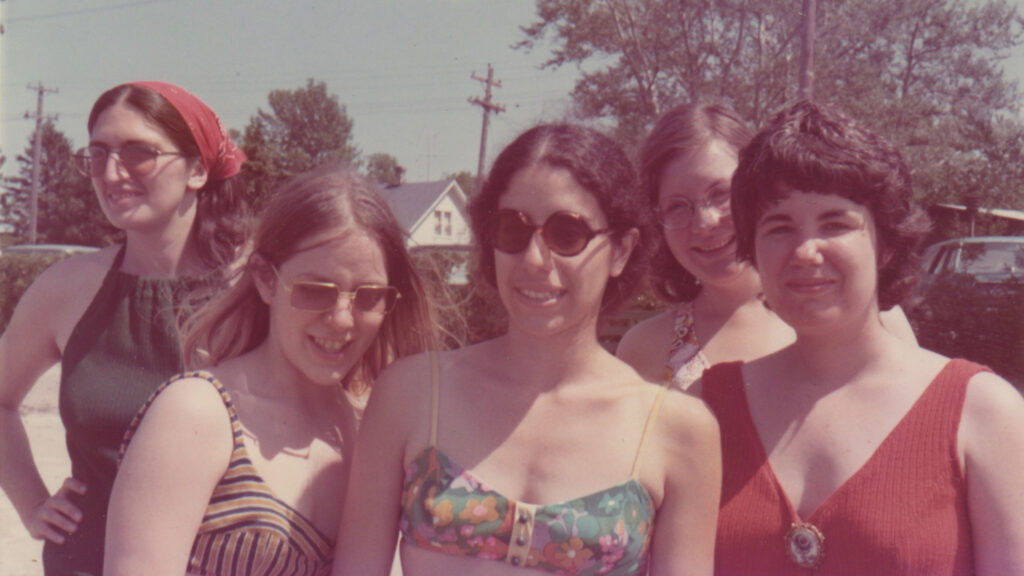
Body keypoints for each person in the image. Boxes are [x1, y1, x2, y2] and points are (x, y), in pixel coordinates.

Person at [333, 124, 722, 576]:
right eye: (512, 229)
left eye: (567, 233)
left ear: (620, 250)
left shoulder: (679, 430)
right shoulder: (410, 392)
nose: (536, 260)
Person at [704, 100, 1024, 574]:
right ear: (752, 247)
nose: (806, 251)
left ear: (886, 242)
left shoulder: (983, 413)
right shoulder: (706, 408)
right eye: (779, 226)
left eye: (835, 224)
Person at [104, 166, 436, 575]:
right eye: (316, 291)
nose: (343, 319)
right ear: (264, 280)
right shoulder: (196, 413)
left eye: (368, 297)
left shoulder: (367, 433)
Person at [0, 81, 248, 575]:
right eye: (98, 155)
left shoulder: (253, 289)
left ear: (198, 169)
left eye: (139, 153)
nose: (112, 173)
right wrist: (33, 505)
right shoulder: (66, 289)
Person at [617, 103, 915, 392]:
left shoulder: (869, 316)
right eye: (677, 207)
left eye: (721, 194)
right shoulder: (644, 347)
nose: (704, 222)